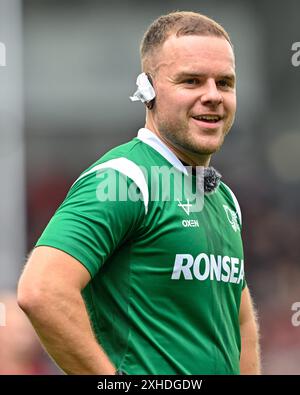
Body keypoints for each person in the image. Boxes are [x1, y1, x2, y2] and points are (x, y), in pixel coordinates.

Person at [17, 11, 261, 375]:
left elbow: (239, 322)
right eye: (191, 81)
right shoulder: (125, 179)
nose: (212, 96)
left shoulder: (223, 198)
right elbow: (42, 291)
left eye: (224, 83)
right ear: (148, 90)